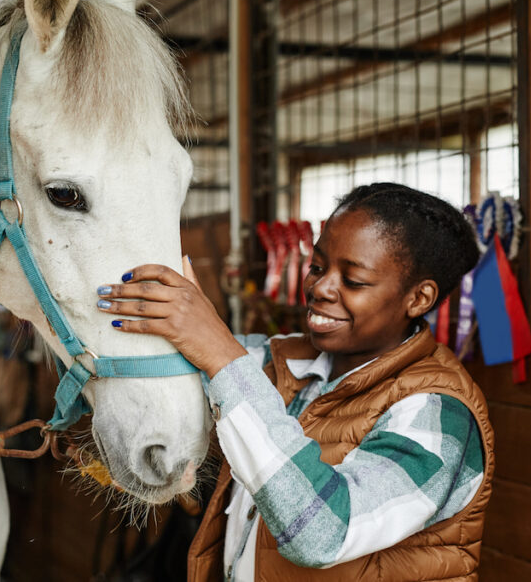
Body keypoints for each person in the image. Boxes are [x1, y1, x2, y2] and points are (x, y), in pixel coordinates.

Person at [96, 182, 494, 581]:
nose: (320, 288)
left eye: (353, 280)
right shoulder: (284, 360)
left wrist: (218, 349)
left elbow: (323, 534)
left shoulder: (437, 413)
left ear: (419, 298)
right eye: (318, 267)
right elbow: (185, 372)